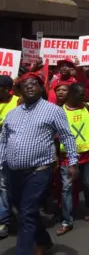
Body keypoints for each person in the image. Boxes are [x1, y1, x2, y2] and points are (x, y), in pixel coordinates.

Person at [0, 73, 79, 255]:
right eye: (24, 84)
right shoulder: (12, 114)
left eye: (33, 84)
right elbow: (3, 140)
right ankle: (44, 241)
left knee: (26, 214)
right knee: (24, 210)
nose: (29, 87)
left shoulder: (53, 111)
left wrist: (73, 162)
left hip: (39, 170)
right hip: (13, 171)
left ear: (41, 88)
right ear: (19, 90)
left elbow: (67, 136)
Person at [57, 83, 89, 236]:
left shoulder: (86, 107)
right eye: (80, 94)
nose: (83, 97)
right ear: (71, 95)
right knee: (66, 188)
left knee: (87, 184)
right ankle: (67, 221)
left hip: (86, 154)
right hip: (67, 156)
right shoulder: (60, 111)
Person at [0, 75, 18, 239]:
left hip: (9, 152)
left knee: (5, 186)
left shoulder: (18, 102)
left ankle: (4, 221)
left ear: (6, 89)